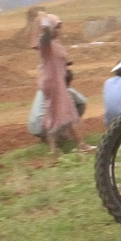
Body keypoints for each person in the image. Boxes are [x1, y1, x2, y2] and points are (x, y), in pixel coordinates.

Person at [31, 12, 94, 154]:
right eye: (56, 27)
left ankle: (56, 149)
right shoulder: (45, 42)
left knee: (56, 113)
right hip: (53, 83)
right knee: (66, 111)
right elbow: (46, 31)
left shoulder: (54, 44)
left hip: (56, 81)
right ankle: (80, 145)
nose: (58, 31)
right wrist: (44, 18)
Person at [28, 69, 87, 140]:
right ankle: (63, 134)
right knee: (72, 109)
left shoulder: (44, 87)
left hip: (33, 127)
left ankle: (51, 137)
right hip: (45, 127)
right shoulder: (66, 91)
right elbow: (82, 101)